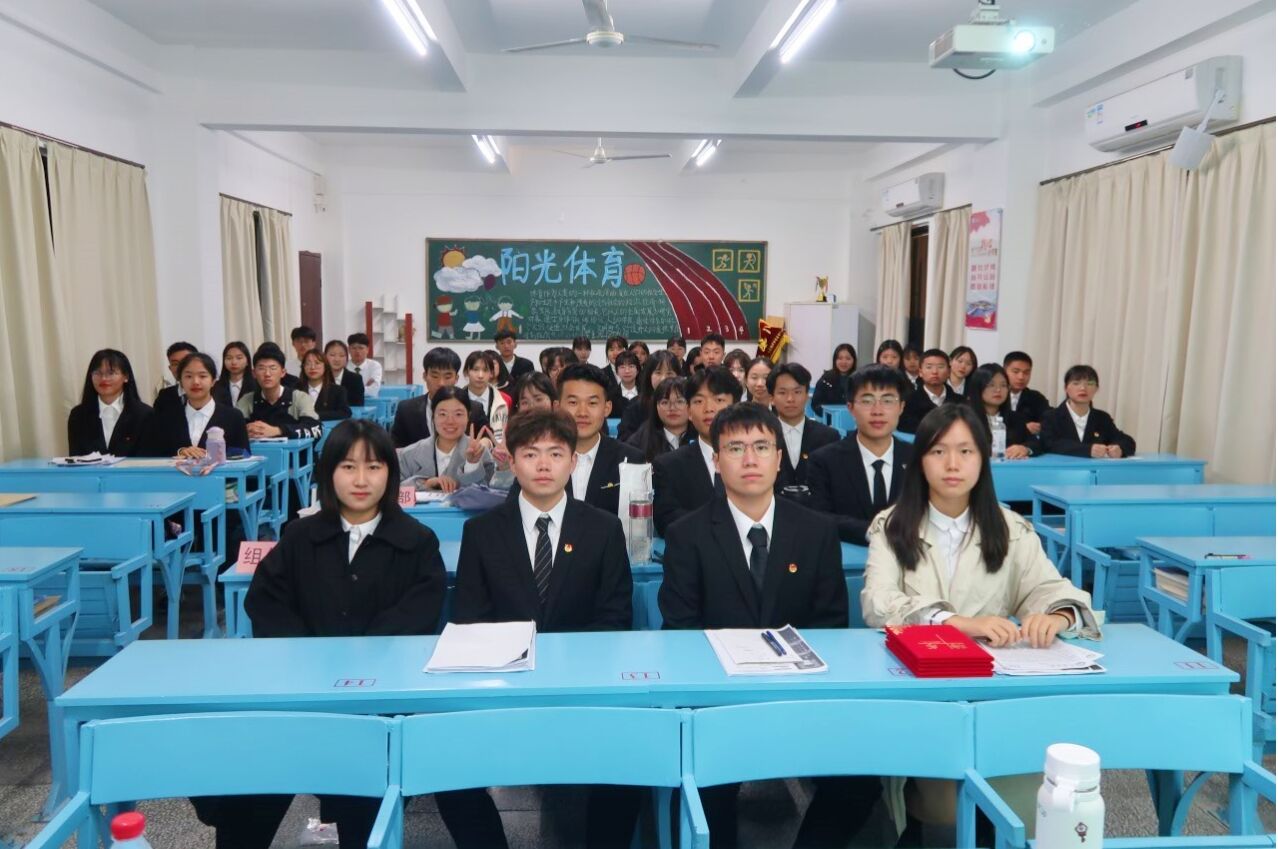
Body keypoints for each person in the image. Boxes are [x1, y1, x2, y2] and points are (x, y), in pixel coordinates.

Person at [861, 403, 1100, 846]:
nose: (952, 464)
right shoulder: (892, 526)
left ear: (984, 458)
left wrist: (1057, 615)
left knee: (1028, 797)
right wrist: (957, 622)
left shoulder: (1011, 528)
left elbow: (1048, 586)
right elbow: (878, 602)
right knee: (945, 807)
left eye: (966, 451)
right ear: (920, 462)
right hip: (922, 691)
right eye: (939, 452)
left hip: (996, 692)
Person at [228, 419, 446, 849]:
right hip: (303, 694)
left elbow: (419, 612)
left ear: (390, 474)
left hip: (381, 702)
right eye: (348, 467)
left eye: (374, 467)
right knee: (244, 791)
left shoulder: (417, 541)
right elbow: (266, 602)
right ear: (328, 472)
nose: (361, 480)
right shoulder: (300, 535)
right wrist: (311, 656)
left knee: (362, 802)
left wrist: (358, 657)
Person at [658, 403, 851, 849]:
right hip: (717, 702)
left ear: (779, 458)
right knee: (700, 792)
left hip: (799, 697)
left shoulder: (817, 531)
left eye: (762, 447)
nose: (750, 459)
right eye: (736, 448)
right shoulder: (687, 535)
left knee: (858, 782)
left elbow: (830, 624)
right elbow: (680, 630)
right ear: (716, 460)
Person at [441, 409, 635, 849]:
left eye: (555, 453)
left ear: (573, 461)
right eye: (531, 454)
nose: (544, 465)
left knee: (630, 769)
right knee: (446, 770)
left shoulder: (603, 529)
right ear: (511, 461)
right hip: (503, 688)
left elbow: (614, 618)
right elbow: (470, 619)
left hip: (584, 689)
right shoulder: (483, 532)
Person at [808, 365, 914, 545]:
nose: (877, 411)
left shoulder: (917, 459)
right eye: (867, 401)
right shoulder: (825, 461)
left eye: (888, 401)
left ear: (901, 407)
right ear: (850, 408)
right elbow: (820, 517)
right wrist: (873, 532)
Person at [539, 362, 643, 515]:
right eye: (573, 402)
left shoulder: (631, 460)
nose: (582, 412)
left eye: (592, 403)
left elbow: (639, 520)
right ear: (557, 407)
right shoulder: (537, 459)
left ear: (607, 408)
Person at [652, 367, 741, 535]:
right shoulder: (669, 465)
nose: (709, 408)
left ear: (736, 406)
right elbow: (666, 520)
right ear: (689, 412)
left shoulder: (756, 459)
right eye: (699, 401)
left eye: (719, 399)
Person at [140, 353, 248, 458]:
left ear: (213, 381)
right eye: (188, 376)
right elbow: (153, 454)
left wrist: (211, 456)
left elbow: (243, 455)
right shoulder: (167, 417)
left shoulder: (233, 417)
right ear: (181, 382)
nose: (195, 382)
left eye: (202, 376)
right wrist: (180, 452)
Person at [397, 386, 496, 490]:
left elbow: (487, 492)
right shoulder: (408, 455)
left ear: (468, 416)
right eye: (443, 414)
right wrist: (425, 484)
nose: (450, 421)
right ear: (433, 416)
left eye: (458, 414)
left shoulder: (481, 454)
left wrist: (472, 464)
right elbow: (393, 490)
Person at [390, 348, 488, 448]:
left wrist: (483, 444)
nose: (441, 383)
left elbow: (488, 437)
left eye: (447, 377)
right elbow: (395, 446)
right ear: (425, 376)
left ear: (456, 378)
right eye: (435, 376)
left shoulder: (474, 408)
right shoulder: (406, 410)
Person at [67, 348, 152, 457]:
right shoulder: (78, 415)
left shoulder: (144, 415)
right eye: (97, 373)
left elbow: (148, 459)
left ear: (126, 377)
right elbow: (75, 459)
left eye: (111, 372)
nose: (103, 378)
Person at [767, 363, 838, 491]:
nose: (790, 399)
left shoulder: (828, 437)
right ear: (772, 398)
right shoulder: (764, 437)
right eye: (782, 392)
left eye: (797, 392)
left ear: (806, 396)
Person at [1040, 365, 1136, 458]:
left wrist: (1120, 449)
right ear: (1066, 388)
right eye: (1076, 383)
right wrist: (1087, 450)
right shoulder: (1051, 416)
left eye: (1090, 383)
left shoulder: (1102, 418)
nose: (1083, 388)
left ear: (1096, 388)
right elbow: (1049, 443)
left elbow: (1127, 441)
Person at [236, 344, 322, 441]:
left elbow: (316, 429)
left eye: (273, 368)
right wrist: (246, 430)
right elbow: (233, 428)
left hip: (293, 450)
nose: (267, 374)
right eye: (261, 368)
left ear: (283, 372)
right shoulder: (247, 400)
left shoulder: (299, 398)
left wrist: (278, 430)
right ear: (254, 373)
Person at [968, 364, 1038, 459]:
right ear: (978, 388)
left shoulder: (1016, 418)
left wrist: (1025, 449)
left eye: (1003, 385)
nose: (998, 390)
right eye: (991, 385)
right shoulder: (964, 418)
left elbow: (1035, 443)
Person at [618, 350, 682, 442]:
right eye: (658, 373)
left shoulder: (687, 404)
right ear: (649, 376)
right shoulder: (635, 406)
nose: (663, 378)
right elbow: (624, 442)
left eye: (669, 373)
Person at [627, 376, 695, 462]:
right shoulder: (641, 439)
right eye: (665, 402)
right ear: (656, 407)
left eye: (679, 402)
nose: (672, 408)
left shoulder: (701, 435)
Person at [898, 349, 964, 434]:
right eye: (929, 367)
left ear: (948, 372)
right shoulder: (909, 402)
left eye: (940, 367)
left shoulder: (961, 402)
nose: (934, 372)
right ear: (920, 372)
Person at [1002, 351, 1050, 433]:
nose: (1021, 377)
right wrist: (1022, 428)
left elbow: (1048, 420)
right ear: (1004, 371)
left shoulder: (1036, 398)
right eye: (1016, 372)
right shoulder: (997, 396)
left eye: (1026, 372)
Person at [301, 350, 352, 421]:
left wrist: (315, 415)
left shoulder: (338, 391)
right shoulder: (295, 389)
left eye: (317, 363)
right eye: (308, 363)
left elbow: (345, 413)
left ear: (325, 366)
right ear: (303, 367)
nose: (312, 367)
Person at [462, 350, 508, 424]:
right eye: (475, 370)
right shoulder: (457, 399)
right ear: (466, 372)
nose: (480, 375)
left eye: (485, 370)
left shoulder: (505, 399)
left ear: (491, 373)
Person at [153, 341, 198, 415]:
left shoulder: (214, 393)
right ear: (170, 368)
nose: (180, 367)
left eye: (185, 362)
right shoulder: (164, 396)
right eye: (175, 364)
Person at [810, 343, 857, 414]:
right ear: (835, 360)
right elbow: (815, 404)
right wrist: (831, 414)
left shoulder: (859, 379)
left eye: (848, 358)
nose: (844, 362)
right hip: (829, 418)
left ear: (854, 360)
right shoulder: (826, 379)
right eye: (840, 358)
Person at [212, 341, 257, 409]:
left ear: (247, 361)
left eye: (239, 358)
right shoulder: (215, 386)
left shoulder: (256, 385)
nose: (234, 362)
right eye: (229, 358)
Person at [324, 339, 366, 408]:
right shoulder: (319, 378)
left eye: (341, 355)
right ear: (324, 357)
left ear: (347, 358)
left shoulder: (356, 379)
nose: (337, 359)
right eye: (332, 355)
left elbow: (358, 406)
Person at [346, 332, 383, 399]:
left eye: (361, 348)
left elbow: (373, 391)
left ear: (367, 350)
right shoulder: (344, 366)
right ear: (349, 349)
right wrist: (364, 388)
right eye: (354, 348)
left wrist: (349, 390)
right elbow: (340, 391)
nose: (357, 351)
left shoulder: (375, 366)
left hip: (370, 402)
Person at [610, 350, 641, 421]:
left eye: (631, 366)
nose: (627, 371)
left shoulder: (647, 394)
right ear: (617, 371)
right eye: (622, 367)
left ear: (637, 370)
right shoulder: (610, 396)